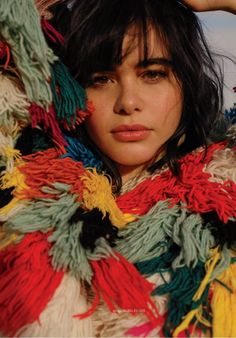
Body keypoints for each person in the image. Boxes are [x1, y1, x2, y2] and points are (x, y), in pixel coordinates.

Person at [0, 0, 236, 337]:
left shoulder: (226, 182)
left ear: (187, 82)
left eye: (152, 74)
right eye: (101, 79)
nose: (128, 102)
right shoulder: (21, 186)